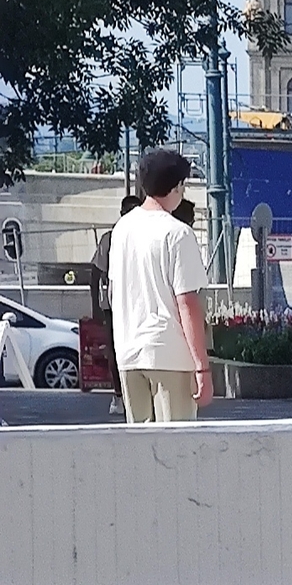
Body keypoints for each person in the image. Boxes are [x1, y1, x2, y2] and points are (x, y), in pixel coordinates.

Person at [106, 148, 212, 422]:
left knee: (141, 451)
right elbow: (188, 303)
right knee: (175, 451)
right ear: (176, 187)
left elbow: (114, 291)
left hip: (129, 352)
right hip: (170, 354)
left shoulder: (121, 230)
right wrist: (202, 368)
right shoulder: (178, 234)